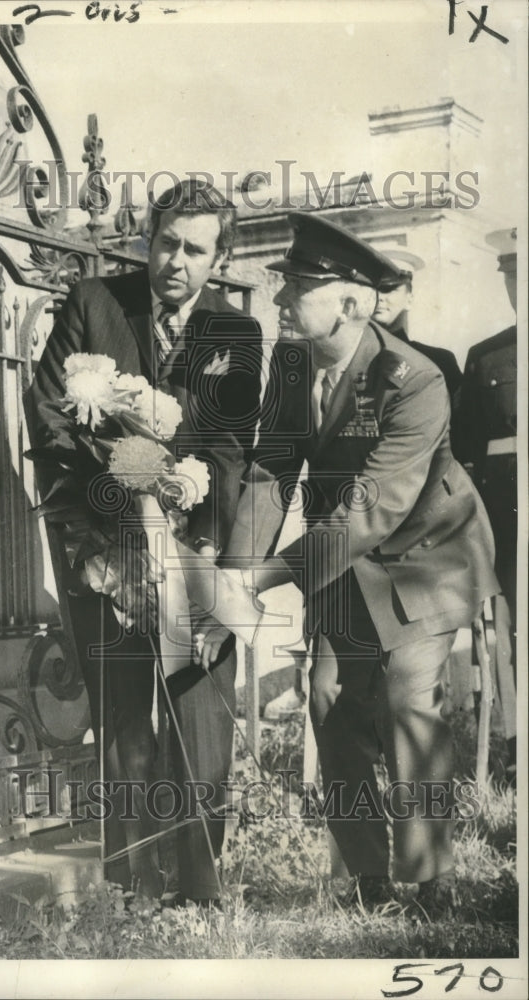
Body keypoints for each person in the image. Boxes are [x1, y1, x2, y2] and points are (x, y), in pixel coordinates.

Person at [221, 211, 498, 912]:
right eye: (281, 286)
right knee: (327, 702)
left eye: (295, 289)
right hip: (344, 560)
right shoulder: (291, 365)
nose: (278, 302)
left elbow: (372, 509)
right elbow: (269, 470)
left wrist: (265, 577)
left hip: (424, 556)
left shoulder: (414, 379)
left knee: (408, 698)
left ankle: (427, 879)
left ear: (347, 302)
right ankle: (369, 875)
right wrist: (232, 573)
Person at [24, 180, 263, 904]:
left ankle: (196, 888)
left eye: (195, 249)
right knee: (122, 717)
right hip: (102, 546)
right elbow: (48, 413)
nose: (176, 262)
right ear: (145, 240)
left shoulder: (236, 335)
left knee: (199, 718)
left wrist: (182, 508)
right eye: (165, 243)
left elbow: (226, 447)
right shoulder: (94, 304)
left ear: (217, 257)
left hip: (194, 545)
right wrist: (118, 482)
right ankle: (129, 884)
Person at [453, 227, 518, 782]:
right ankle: (520, 744)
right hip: (509, 518)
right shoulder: (488, 355)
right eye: (514, 275)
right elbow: (466, 457)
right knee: (513, 629)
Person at [372, 251, 463, 401]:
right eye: (374, 289)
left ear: (409, 300)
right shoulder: (346, 358)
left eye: (389, 289)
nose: (380, 297)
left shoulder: (439, 361)